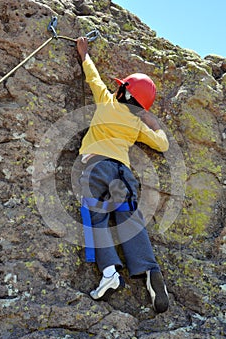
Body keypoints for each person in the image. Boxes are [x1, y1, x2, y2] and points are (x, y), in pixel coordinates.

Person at [77, 37, 169, 313]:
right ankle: (150, 269)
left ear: (122, 91)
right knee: (129, 221)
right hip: (124, 173)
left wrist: (84, 53)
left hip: (96, 168)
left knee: (97, 216)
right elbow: (163, 144)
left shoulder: (106, 101)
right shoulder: (136, 124)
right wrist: (148, 118)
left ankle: (110, 273)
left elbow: (92, 77)